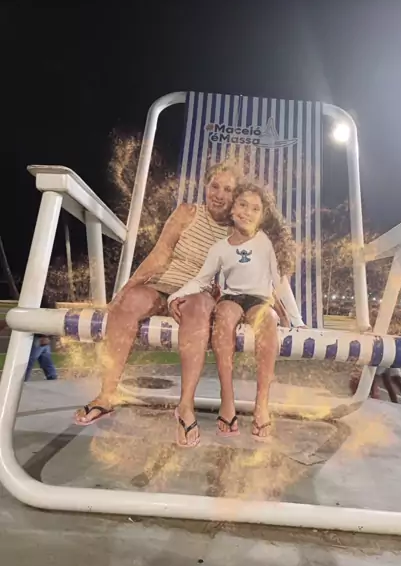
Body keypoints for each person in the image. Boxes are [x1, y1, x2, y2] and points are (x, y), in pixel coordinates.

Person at [75, 161, 242, 438]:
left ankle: (185, 407)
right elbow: (161, 253)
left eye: (228, 190)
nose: (219, 194)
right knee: (129, 302)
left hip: (196, 294)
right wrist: (126, 288)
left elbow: (241, 273)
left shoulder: (235, 230)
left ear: (236, 196)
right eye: (215, 186)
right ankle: (106, 396)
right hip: (163, 285)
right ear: (205, 186)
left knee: (199, 307)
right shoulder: (187, 212)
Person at [168, 182, 304, 444]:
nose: (247, 212)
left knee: (268, 319)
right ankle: (227, 400)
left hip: (259, 299)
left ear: (262, 215)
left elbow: (279, 282)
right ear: (232, 209)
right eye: (242, 205)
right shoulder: (220, 247)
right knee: (225, 315)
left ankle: (261, 404)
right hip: (232, 297)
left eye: (255, 208)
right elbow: (202, 280)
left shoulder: (266, 242)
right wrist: (176, 295)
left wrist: (297, 320)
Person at [25, 297, 58, 381]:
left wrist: (45, 336)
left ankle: (22, 379)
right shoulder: (49, 306)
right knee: (46, 361)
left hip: (39, 337)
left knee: (29, 361)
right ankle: (52, 376)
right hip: (43, 337)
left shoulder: (41, 304)